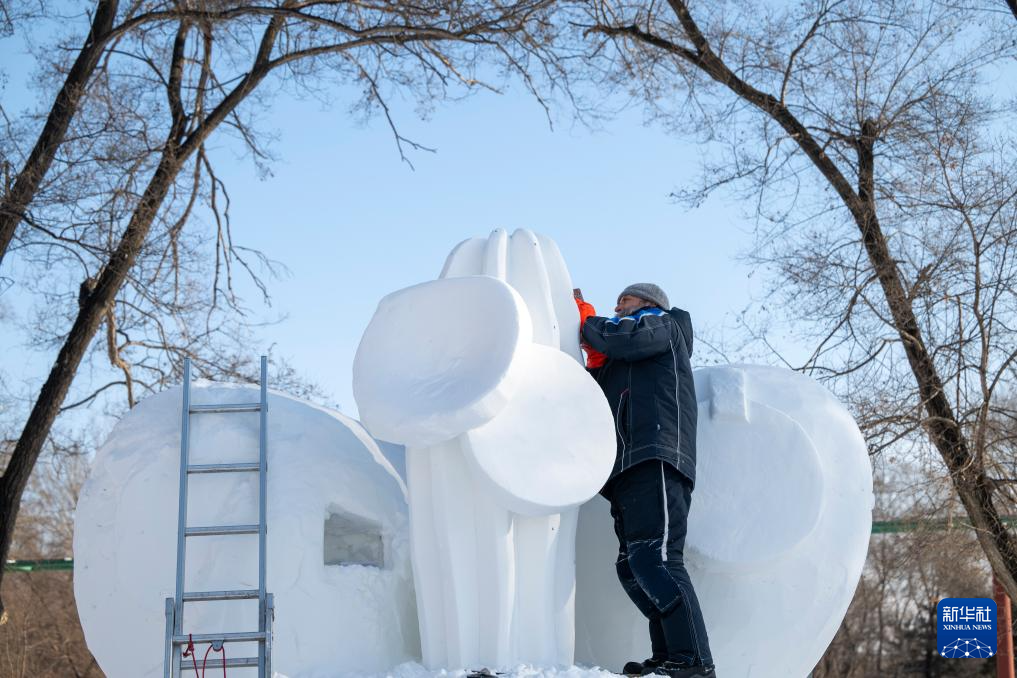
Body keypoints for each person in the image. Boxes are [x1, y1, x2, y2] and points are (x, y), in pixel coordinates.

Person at [576, 283, 715, 678]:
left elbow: (622, 338)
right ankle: (669, 656)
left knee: (658, 558)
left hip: (657, 454)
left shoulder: (661, 324)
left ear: (649, 303)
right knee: (634, 566)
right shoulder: (624, 357)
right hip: (626, 467)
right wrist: (596, 362)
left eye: (627, 299)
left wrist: (588, 322)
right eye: (618, 300)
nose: (618, 305)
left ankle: (695, 663)